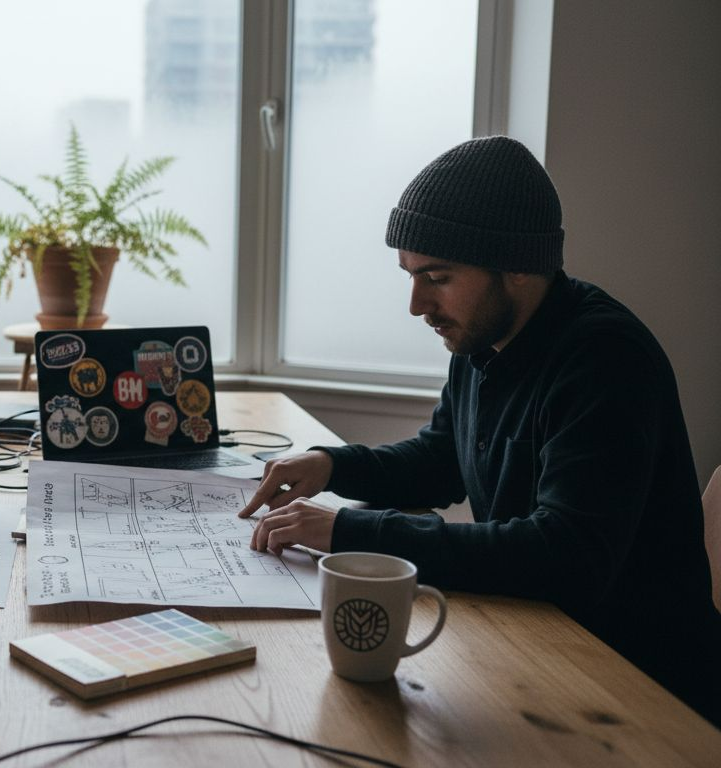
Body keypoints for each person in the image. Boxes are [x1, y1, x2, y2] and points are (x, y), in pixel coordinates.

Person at [237, 136, 721, 725]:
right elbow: (445, 456)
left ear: (517, 265)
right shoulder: (481, 336)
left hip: (641, 693)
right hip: (541, 650)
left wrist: (351, 531)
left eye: (436, 277)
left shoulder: (606, 360)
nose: (417, 304)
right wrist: (334, 466)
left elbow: (564, 555)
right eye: (411, 275)